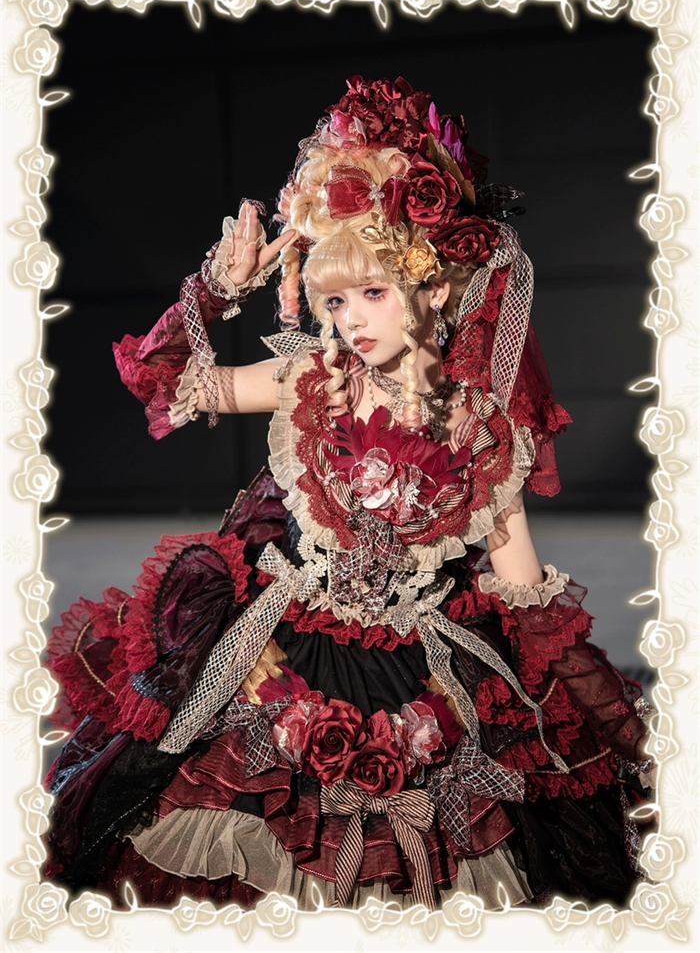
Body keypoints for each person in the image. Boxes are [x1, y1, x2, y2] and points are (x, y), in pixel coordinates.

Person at [44, 77, 653, 912]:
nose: (353, 319)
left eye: (374, 292)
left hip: (419, 670)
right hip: (282, 646)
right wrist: (218, 290)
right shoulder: (309, 378)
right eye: (335, 299)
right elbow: (165, 383)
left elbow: (522, 588)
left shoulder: (480, 429)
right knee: (212, 814)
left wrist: (575, 714)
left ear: (432, 289)